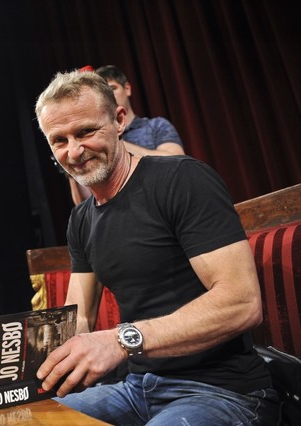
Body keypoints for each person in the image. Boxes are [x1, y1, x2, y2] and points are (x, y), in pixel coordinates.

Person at [33, 70, 278, 425]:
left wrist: (120, 341)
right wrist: (13, 366)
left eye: (86, 131)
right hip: (136, 388)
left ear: (119, 121)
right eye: (59, 140)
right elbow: (79, 319)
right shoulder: (81, 219)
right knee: (25, 420)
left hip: (222, 391)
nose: (74, 151)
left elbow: (242, 304)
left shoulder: (181, 179)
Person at [68, 64, 185, 205]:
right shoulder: (92, 142)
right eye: (104, 93)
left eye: (112, 88)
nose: (109, 96)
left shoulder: (156, 125)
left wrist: (114, 139)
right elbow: (86, 202)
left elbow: (178, 162)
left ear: (127, 89)